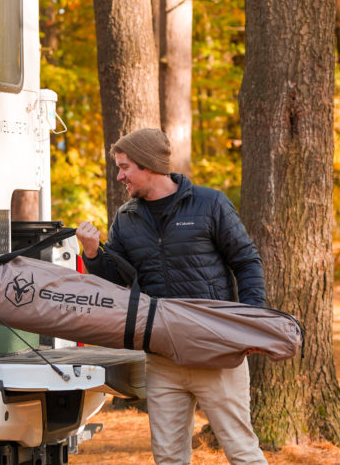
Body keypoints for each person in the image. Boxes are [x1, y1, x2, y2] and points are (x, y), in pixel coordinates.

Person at [77, 128, 268, 465]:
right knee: (167, 458)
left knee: (242, 452)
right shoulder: (127, 218)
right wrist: (93, 253)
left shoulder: (210, 204)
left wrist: (250, 324)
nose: (120, 176)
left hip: (216, 352)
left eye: (125, 167)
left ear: (148, 165)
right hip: (163, 357)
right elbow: (118, 279)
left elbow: (246, 262)